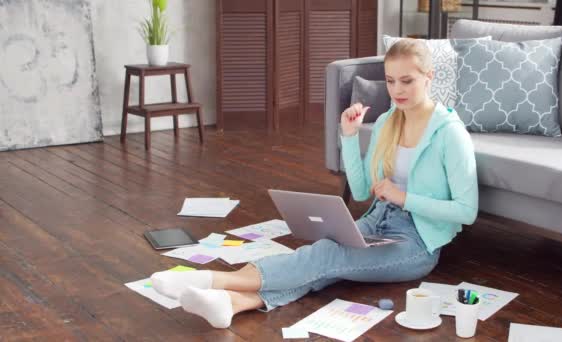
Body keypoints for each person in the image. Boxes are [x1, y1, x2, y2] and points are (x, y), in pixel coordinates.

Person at [150, 38, 478, 329]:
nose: (397, 90)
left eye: (407, 81)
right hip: (376, 222)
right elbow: (362, 191)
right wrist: (349, 136)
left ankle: (215, 280)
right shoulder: (386, 124)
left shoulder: (450, 133)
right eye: (391, 81)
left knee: (326, 258)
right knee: (322, 260)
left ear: (429, 77)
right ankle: (232, 304)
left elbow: (467, 211)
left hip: (417, 244)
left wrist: (404, 198)